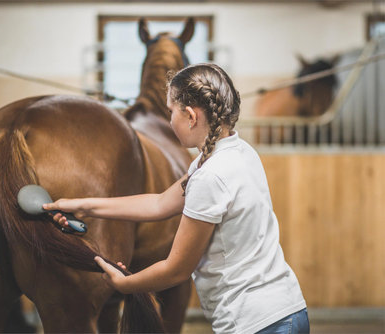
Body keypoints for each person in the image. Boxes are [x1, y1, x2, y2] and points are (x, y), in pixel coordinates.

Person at [43, 63, 310, 334]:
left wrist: (124, 284)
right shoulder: (236, 153)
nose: (169, 121)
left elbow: (176, 270)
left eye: (171, 112)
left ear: (191, 116)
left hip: (257, 323)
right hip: (288, 310)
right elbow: (159, 203)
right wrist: (84, 205)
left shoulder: (211, 176)